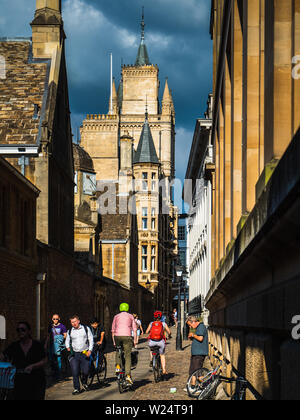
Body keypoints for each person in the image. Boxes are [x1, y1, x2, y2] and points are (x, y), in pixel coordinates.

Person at [3, 322, 47, 400]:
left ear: (29, 331)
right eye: (18, 330)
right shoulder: (14, 346)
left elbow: (44, 360)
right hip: (20, 382)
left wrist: (33, 366)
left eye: (23, 329)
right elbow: (3, 356)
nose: (20, 332)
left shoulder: (37, 345)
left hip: (36, 381)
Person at [65, 315, 94, 395]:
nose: (73, 323)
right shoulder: (70, 331)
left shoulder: (86, 329)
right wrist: (67, 347)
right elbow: (67, 340)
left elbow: (91, 339)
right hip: (74, 354)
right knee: (75, 372)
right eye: (72, 322)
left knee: (86, 371)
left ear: (78, 321)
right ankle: (76, 388)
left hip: (84, 353)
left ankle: (84, 382)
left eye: (75, 321)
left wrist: (90, 350)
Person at [112, 303, 137, 385]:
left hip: (117, 336)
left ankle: (118, 366)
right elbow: (135, 329)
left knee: (118, 350)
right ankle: (128, 376)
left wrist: (114, 341)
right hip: (127, 336)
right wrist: (135, 340)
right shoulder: (130, 316)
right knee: (128, 356)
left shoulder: (116, 316)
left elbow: (113, 330)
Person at [146, 311, 171, 376]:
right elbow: (169, 332)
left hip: (152, 341)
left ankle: (151, 360)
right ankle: (164, 370)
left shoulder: (151, 323)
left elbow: (146, 331)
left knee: (151, 350)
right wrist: (169, 335)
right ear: (161, 317)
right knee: (162, 355)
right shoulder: (163, 324)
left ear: (154, 317)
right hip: (160, 342)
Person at [187, 316, 209, 389]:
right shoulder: (197, 328)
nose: (190, 327)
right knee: (193, 370)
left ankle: (203, 386)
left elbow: (200, 338)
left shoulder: (201, 327)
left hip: (200, 353)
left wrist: (193, 335)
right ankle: (193, 386)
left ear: (193, 322)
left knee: (198, 371)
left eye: (190, 325)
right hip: (196, 352)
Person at [45, 314, 67, 379]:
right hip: (52, 345)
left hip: (58, 346)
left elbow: (65, 335)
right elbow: (48, 336)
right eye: (54, 319)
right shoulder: (50, 326)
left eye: (56, 319)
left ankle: (59, 373)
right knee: (52, 359)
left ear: (59, 319)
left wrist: (58, 339)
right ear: (52, 319)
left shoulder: (62, 326)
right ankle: (54, 372)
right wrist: (46, 344)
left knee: (58, 359)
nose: (55, 320)